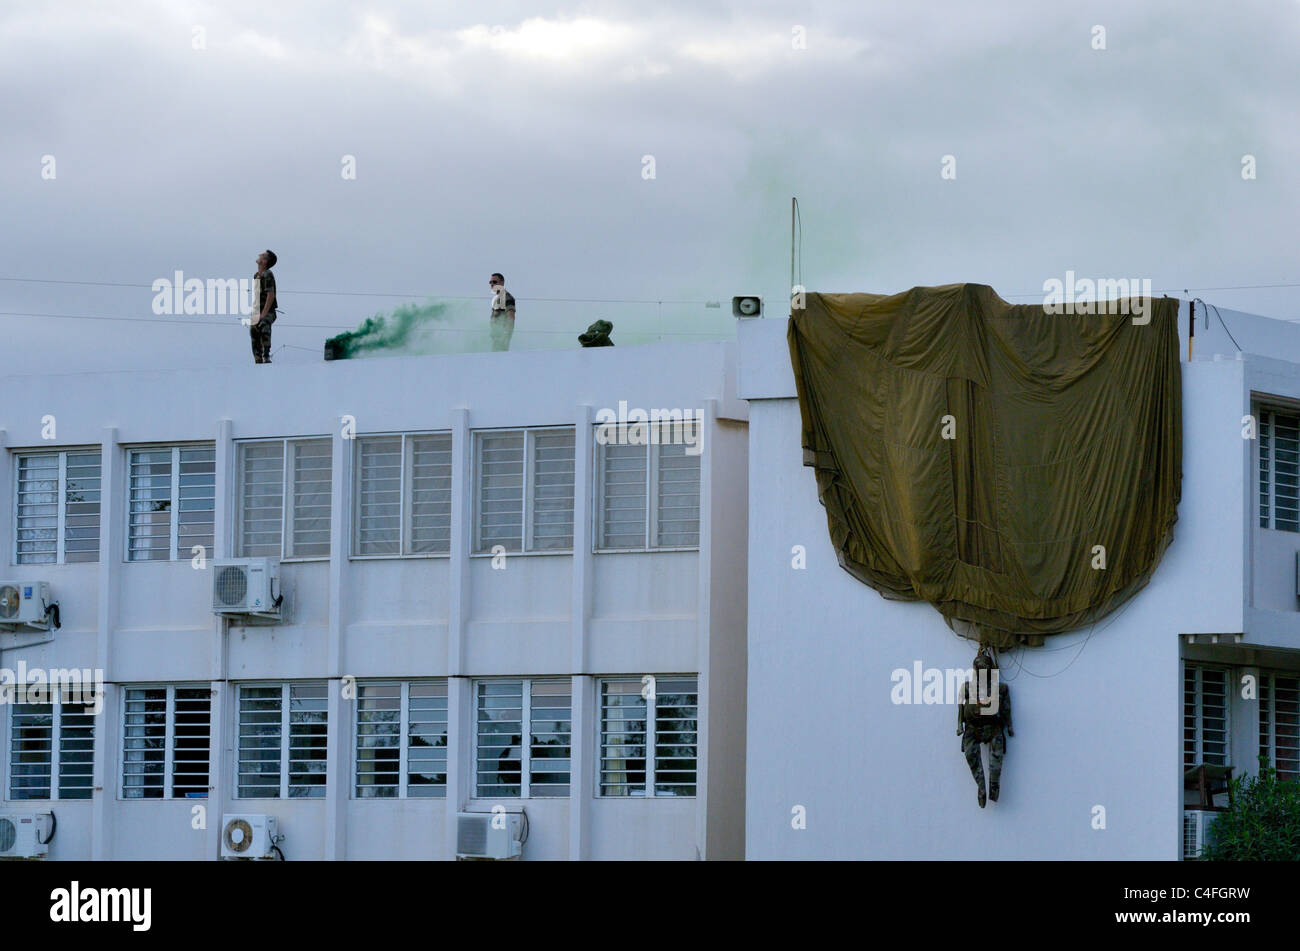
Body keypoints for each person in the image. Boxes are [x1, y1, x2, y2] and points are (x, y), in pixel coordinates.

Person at [956, 647, 1012, 808]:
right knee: (971, 756)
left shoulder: (999, 688)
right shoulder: (966, 687)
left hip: (992, 727)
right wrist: (959, 724)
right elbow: (960, 705)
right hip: (972, 728)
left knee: (996, 759)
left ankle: (994, 784)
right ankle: (981, 787)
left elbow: (1006, 708)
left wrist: (1009, 725)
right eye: (979, 670)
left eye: (985, 671)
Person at [250, 250, 278, 364]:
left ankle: (266, 355)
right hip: (257, 310)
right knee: (254, 331)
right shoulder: (256, 276)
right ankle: (258, 359)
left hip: (267, 311)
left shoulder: (268, 274)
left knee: (264, 325)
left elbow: (271, 295)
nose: (260, 255)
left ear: (265, 261)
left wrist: (263, 314)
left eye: (263, 255)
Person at [489, 272, 515, 352]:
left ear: (502, 283)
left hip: (501, 339)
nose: (492, 284)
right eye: (491, 282)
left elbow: (511, 317)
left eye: (495, 282)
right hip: (495, 338)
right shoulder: (498, 299)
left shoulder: (507, 297)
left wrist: (505, 336)